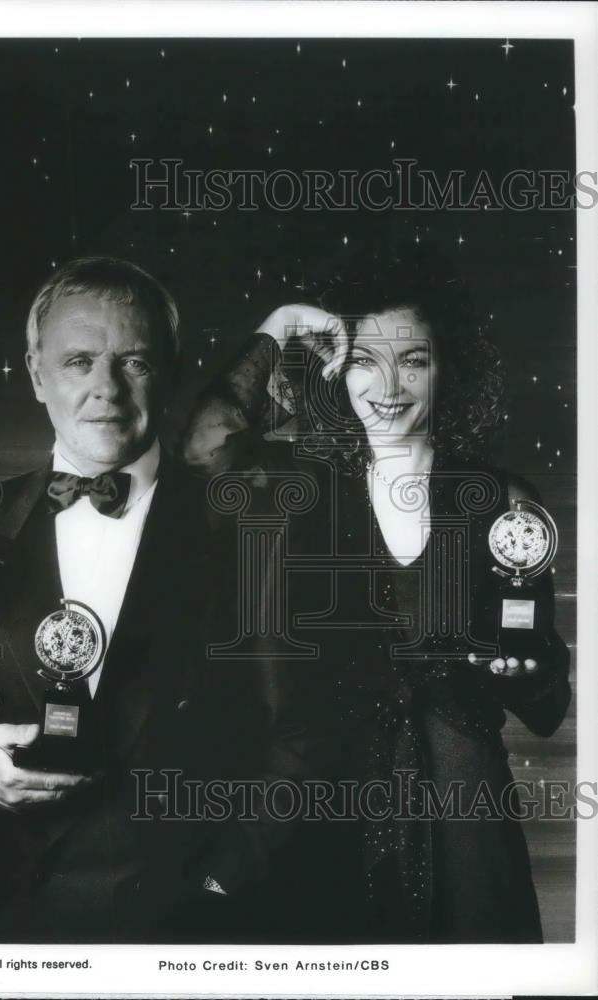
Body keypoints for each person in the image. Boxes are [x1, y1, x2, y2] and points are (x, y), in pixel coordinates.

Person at [0, 256, 315, 944]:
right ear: (35, 372)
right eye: (79, 361)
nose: (105, 389)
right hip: (15, 919)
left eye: (133, 363)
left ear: (168, 369)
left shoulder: (244, 529)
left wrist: (222, 879)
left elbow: (299, 729)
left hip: (194, 928)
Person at [181, 248, 571, 943]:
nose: (388, 384)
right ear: (335, 372)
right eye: (365, 360)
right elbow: (203, 451)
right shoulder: (306, 494)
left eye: (413, 359)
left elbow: (546, 702)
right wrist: (279, 325)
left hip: (464, 813)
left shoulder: (502, 505)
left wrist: (525, 667)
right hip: (331, 810)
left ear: (448, 368)